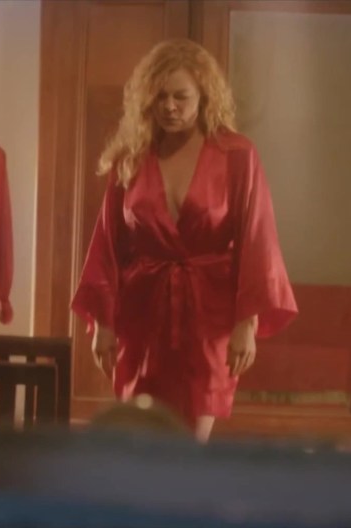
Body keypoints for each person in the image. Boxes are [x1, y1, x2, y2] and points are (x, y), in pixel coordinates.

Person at [71, 38, 298, 443]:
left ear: (204, 96)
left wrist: (247, 322)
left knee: (193, 440)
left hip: (209, 315)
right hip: (141, 315)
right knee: (140, 436)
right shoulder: (131, 158)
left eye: (181, 96)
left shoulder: (237, 155)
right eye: (160, 97)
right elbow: (107, 243)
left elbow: (257, 241)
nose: (170, 107)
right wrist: (103, 323)